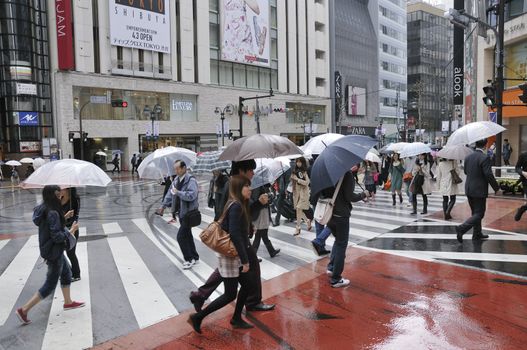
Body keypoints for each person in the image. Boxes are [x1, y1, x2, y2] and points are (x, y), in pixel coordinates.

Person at [189, 159, 275, 313]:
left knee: (225, 271)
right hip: (234, 237)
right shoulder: (235, 184)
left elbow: (242, 210)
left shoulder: (233, 182)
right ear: (242, 170)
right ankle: (252, 302)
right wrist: (255, 209)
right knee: (250, 267)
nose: (253, 174)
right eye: (251, 170)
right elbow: (237, 211)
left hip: (233, 235)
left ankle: (200, 295)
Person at [188, 175, 256, 333]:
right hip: (231, 255)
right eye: (247, 186)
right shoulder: (236, 206)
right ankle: (198, 317)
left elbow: (240, 231)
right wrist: (245, 261)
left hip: (235, 253)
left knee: (247, 286)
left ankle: (236, 318)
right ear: (240, 189)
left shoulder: (239, 204)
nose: (250, 189)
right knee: (230, 293)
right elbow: (235, 234)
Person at [15, 185, 85, 325]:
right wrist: (71, 230)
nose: (61, 197)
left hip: (51, 249)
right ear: (52, 196)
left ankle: (68, 302)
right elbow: (57, 236)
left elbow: (50, 225)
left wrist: (64, 217)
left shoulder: (44, 208)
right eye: (58, 195)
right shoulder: (52, 212)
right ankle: (24, 310)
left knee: (66, 273)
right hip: (53, 251)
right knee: (50, 284)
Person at [323, 168, 370, 287]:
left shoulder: (329, 172)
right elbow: (350, 197)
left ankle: (331, 268)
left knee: (337, 241)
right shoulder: (346, 174)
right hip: (341, 214)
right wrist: (363, 194)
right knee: (341, 244)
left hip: (329, 213)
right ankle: (336, 278)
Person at [455, 138, 500, 242]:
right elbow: (488, 174)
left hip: (469, 188)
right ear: (485, 146)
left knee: (475, 212)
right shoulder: (484, 158)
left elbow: (466, 171)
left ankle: (477, 233)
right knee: (480, 213)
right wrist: (496, 188)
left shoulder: (468, 157)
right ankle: (462, 228)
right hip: (479, 189)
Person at [162, 160, 200, 269]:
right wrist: (163, 205)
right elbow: (170, 193)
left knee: (181, 237)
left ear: (184, 168)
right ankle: (195, 257)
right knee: (187, 235)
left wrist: (178, 192)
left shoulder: (191, 180)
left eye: (178, 168)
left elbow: (192, 195)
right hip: (181, 213)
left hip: (189, 213)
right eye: (175, 169)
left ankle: (189, 259)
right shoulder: (176, 180)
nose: (176, 171)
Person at [251, 184, 280, 258]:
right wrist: (267, 197)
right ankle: (252, 257)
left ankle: (272, 251)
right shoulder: (258, 186)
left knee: (264, 234)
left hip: (263, 212)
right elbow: (257, 199)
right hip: (261, 213)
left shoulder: (263, 184)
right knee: (259, 235)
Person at [61, 187, 81, 281]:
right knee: (60, 252)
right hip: (62, 229)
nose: (61, 190)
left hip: (72, 229)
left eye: (63, 188)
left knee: (71, 253)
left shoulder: (75, 200)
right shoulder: (59, 199)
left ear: (68, 189)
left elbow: (76, 215)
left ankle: (76, 274)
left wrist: (73, 227)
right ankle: (68, 272)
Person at [291, 157, 311, 236]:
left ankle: (298, 227)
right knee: (298, 210)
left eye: (300, 162)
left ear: (303, 163)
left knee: (299, 209)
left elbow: (307, 183)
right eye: (297, 162)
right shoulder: (294, 171)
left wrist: (297, 179)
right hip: (296, 193)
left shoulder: (305, 172)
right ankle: (307, 221)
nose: (298, 163)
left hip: (303, 193)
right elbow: (293, 183)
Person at [514, 150, 527, 221]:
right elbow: (517, 168)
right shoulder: (523, 155)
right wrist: (522, 172)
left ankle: (522, 209)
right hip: (526, 181)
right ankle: (521, 210)